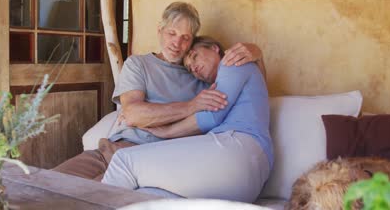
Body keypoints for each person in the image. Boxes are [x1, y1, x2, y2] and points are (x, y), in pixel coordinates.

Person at [53, 2, 265, 181]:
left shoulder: (199, 74)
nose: (177, 43)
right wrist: (191, 106)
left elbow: (255, 92)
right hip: (114, 151)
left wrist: (257, 54)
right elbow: (134, 114)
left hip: (159, 165)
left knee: (92, 199)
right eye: (172, 33)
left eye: (186, 37)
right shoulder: (139, 64)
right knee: (47, 186)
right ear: (160, 30)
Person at [101, 36, 273, 203]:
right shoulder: (235, 77)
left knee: (123, 161)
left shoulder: (232, 63)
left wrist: (165, 131)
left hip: (238, 149)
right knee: (146, 196)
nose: (194, 68)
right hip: (245, 179)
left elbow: (212, 115)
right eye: (189, 69)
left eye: (194, 56)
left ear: (214, 48)